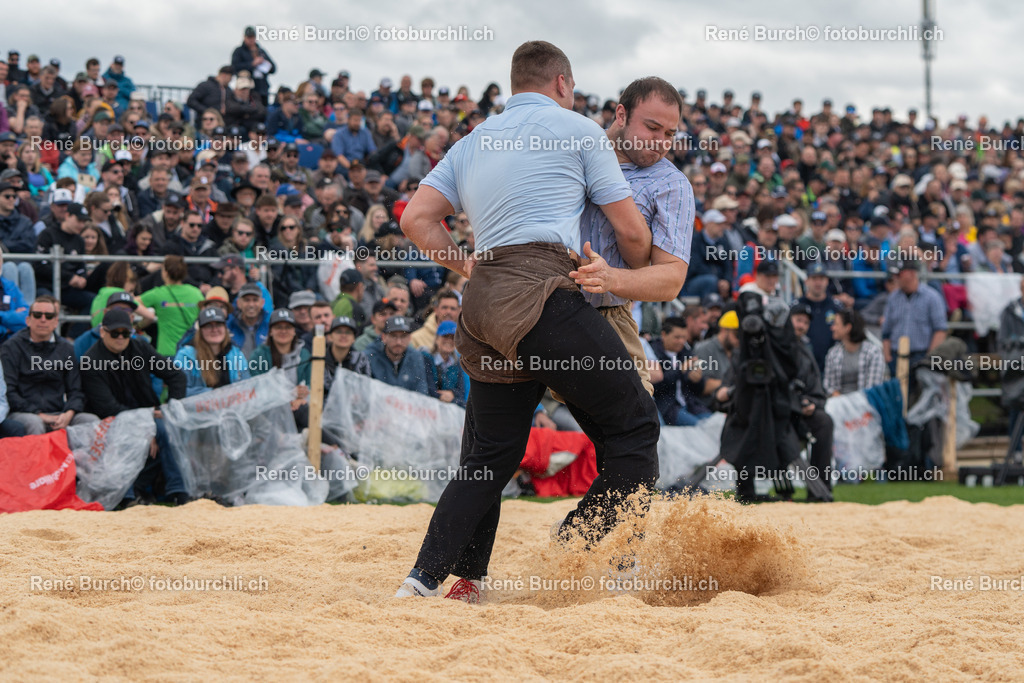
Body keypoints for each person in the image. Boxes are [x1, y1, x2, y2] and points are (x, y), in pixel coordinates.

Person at [396, 41, 656, 601]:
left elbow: (416, 218)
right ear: (562, 84)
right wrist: (637, 274)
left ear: (515, 84)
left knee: (490, 454)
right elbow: (632, 234)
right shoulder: (580, 129)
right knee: (636, 426)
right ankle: (575, 549)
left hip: (482, 299)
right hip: (542, 293)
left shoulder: (471, 141)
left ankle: (425, 580)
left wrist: (464, 264)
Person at [80, 308, 189, 506]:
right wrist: (146, 422)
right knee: (131, 434)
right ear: (102, 331)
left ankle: (179, 493)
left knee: (169, 428)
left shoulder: (140, 347)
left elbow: (177, 376)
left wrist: (172, 409)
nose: (120, 337)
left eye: (126, 333)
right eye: (115, 333)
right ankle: (128, 497)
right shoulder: (91, 361)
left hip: (147, 415)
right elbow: (107, 407)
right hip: (112, 421)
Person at [0, 295, 99, 434]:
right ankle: (38, 457)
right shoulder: (11, 348)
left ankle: (86, 457)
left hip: (59, 412)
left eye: (49, 316)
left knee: (90, 420)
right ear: (28, 320)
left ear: (56, 322)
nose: (43, 319)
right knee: (34, 423)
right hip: (24, 413)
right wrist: (40, 415)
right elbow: (9, 392)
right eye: (37, 315)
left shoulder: (66, 348)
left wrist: (69, 413)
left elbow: (76, 390)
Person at [881, 259, 947, 377]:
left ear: (912, 273)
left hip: (921, 354)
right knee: (898, 394)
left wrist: (929, 357)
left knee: (921, 393)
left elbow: (940, 330)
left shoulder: (931, 297)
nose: (896, 278)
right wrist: (887, 356)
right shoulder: (893, 298)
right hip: (896, 355)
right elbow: (886, 331)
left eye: (899, 274)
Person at [250, 308, 311, 428]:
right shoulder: (258, 356)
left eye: (287, 327)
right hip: (269, 410)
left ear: (294, 331)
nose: (283, 331)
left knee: (306, 410)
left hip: (299, 407)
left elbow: (311, 383)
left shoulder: (304, 355)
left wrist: (302, 396)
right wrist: (290, 395)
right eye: (278, 327)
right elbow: (257, 389)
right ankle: (334, 445)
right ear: (271, 332)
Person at [649, 316, 716, 426]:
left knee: (713, 424)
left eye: (684, 337)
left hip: (690, 404)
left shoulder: (686, 351)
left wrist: (696, 379)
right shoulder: (652, 352)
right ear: (664, 335)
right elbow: (656, 385)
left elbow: (698, 388)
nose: (681, 341)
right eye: (677, 337)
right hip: (667, 408)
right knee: (699, 427)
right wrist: (680, 370)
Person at [174, 306, 251, 396]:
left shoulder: (236, 354)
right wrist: (213, 394)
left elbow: (247, 386)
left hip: (233, 407)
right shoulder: (185, 356)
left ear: (225, 328)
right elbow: (179, 390)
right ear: (201, 330)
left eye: (218, 324)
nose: (214, 330)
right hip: (199, 408)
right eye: (208, 326)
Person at [139, 255, 205, 357]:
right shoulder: (196, 293)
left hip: (167, 352)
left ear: (165, 272)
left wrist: (146, 317)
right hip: (190, 350)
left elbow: (130, 302)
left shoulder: (159, 293)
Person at [365, 315, 435, 397]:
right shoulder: (370, 357)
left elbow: (421, 392)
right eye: (393, 336)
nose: (398, 342)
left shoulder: (417, 357)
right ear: (384, 337)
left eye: (403, 336)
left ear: (409, 338)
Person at [824, 308, 888, 396]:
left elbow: (873, 388)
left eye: (836, 324)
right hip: (838, 405)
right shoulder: (833, 353)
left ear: (847, 328)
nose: (832, 327)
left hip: (865, 405)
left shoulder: (873, 352)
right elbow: (829, 385)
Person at [798, 261, 845, 372]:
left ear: (827, 281)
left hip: (832, 366)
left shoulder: (837, 306)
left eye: (821, 279)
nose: (818, 283)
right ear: (806, 281)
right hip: (803, 365)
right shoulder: (797, 307)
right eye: (814, 278)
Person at [322, 315, 371, 393]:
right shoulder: (320, 359)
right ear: (330, 336)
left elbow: (365, 387)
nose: (343, 335)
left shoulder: (361, 358)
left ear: (354, 338)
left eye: (348, 332)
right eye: (339, 331)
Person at [231, 27, 276, 106]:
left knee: (263, 110)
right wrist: (252, 64)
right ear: (244, 37)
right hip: (247, 88)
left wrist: (264, 63)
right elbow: (234, 67)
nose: (251, 40)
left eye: (253, 37)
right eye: (249, 37)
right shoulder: (239, 51)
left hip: (263, 87)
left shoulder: (261, 51)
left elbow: (273, 68)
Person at [227, 282, 271, 357]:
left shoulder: (271, 327)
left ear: (262, 303)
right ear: (238, 303)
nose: (251, 305)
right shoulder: (228, 327)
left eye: (255, 300)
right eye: (247, 300)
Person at [431, 320, 468, 407]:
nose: (449, 340)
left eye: (453, 338)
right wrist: (443, 396)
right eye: (445, 336)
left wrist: (452, 395)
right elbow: (428, 389)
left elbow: (461, 393)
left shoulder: (457, 363)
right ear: (437, 339)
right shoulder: (427, 359)